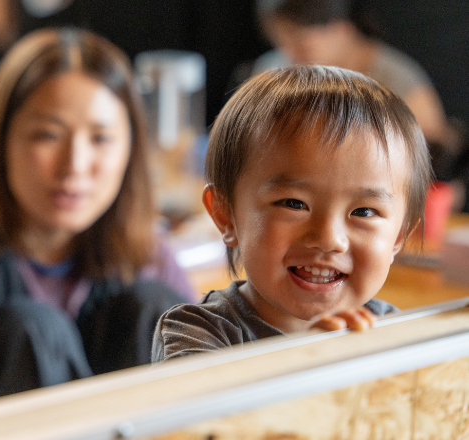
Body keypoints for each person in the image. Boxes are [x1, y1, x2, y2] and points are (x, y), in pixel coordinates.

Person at [0, 28, 196, 415]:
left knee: (156, 307)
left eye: (101, 139)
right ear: (1, 143)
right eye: (48, 135)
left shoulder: (146, 250)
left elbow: (213, 395)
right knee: (30, 329)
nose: (75, 167)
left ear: (130, 150)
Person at [152, 65, 432, 362]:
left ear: (399, 235)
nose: (328, 238)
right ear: (225, 214)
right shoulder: (198, 334)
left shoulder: (393, 335)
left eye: (364, 211)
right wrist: (303, 362)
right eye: (294, 204)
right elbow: (207, 408)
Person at [251, 0, 458, 151]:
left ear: (343, 29)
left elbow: (434, 161)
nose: (288, 54)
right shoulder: (272, 68)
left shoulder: (396, 79)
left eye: (301, 45)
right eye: (279, 41)